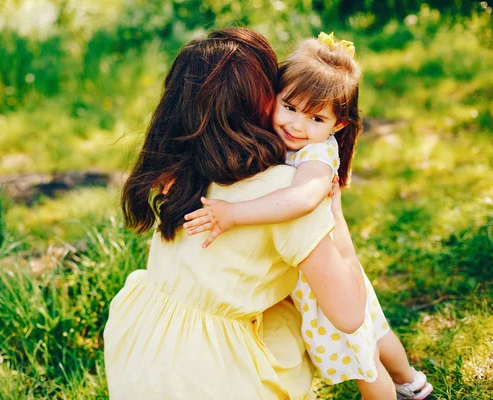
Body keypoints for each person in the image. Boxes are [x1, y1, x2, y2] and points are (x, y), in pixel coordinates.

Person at [103, 27, 368, 400]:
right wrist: (334, 217)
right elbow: (350, 315)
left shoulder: (180, 166)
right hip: (210, 381)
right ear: (262, 100)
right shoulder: (284, 193)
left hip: (140, 358)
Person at [182, 32, 433, 400]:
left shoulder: (316, 156)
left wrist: (234, 213)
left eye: (316, 117)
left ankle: (392, 390)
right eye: (290, 107)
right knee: (373, 331)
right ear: (273, 95)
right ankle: (411, 382)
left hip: (324, 281)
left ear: (338, 126)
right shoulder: (287, 138)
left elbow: (301, 198)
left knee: (362, 359)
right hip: (326, 269)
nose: (297, 125)